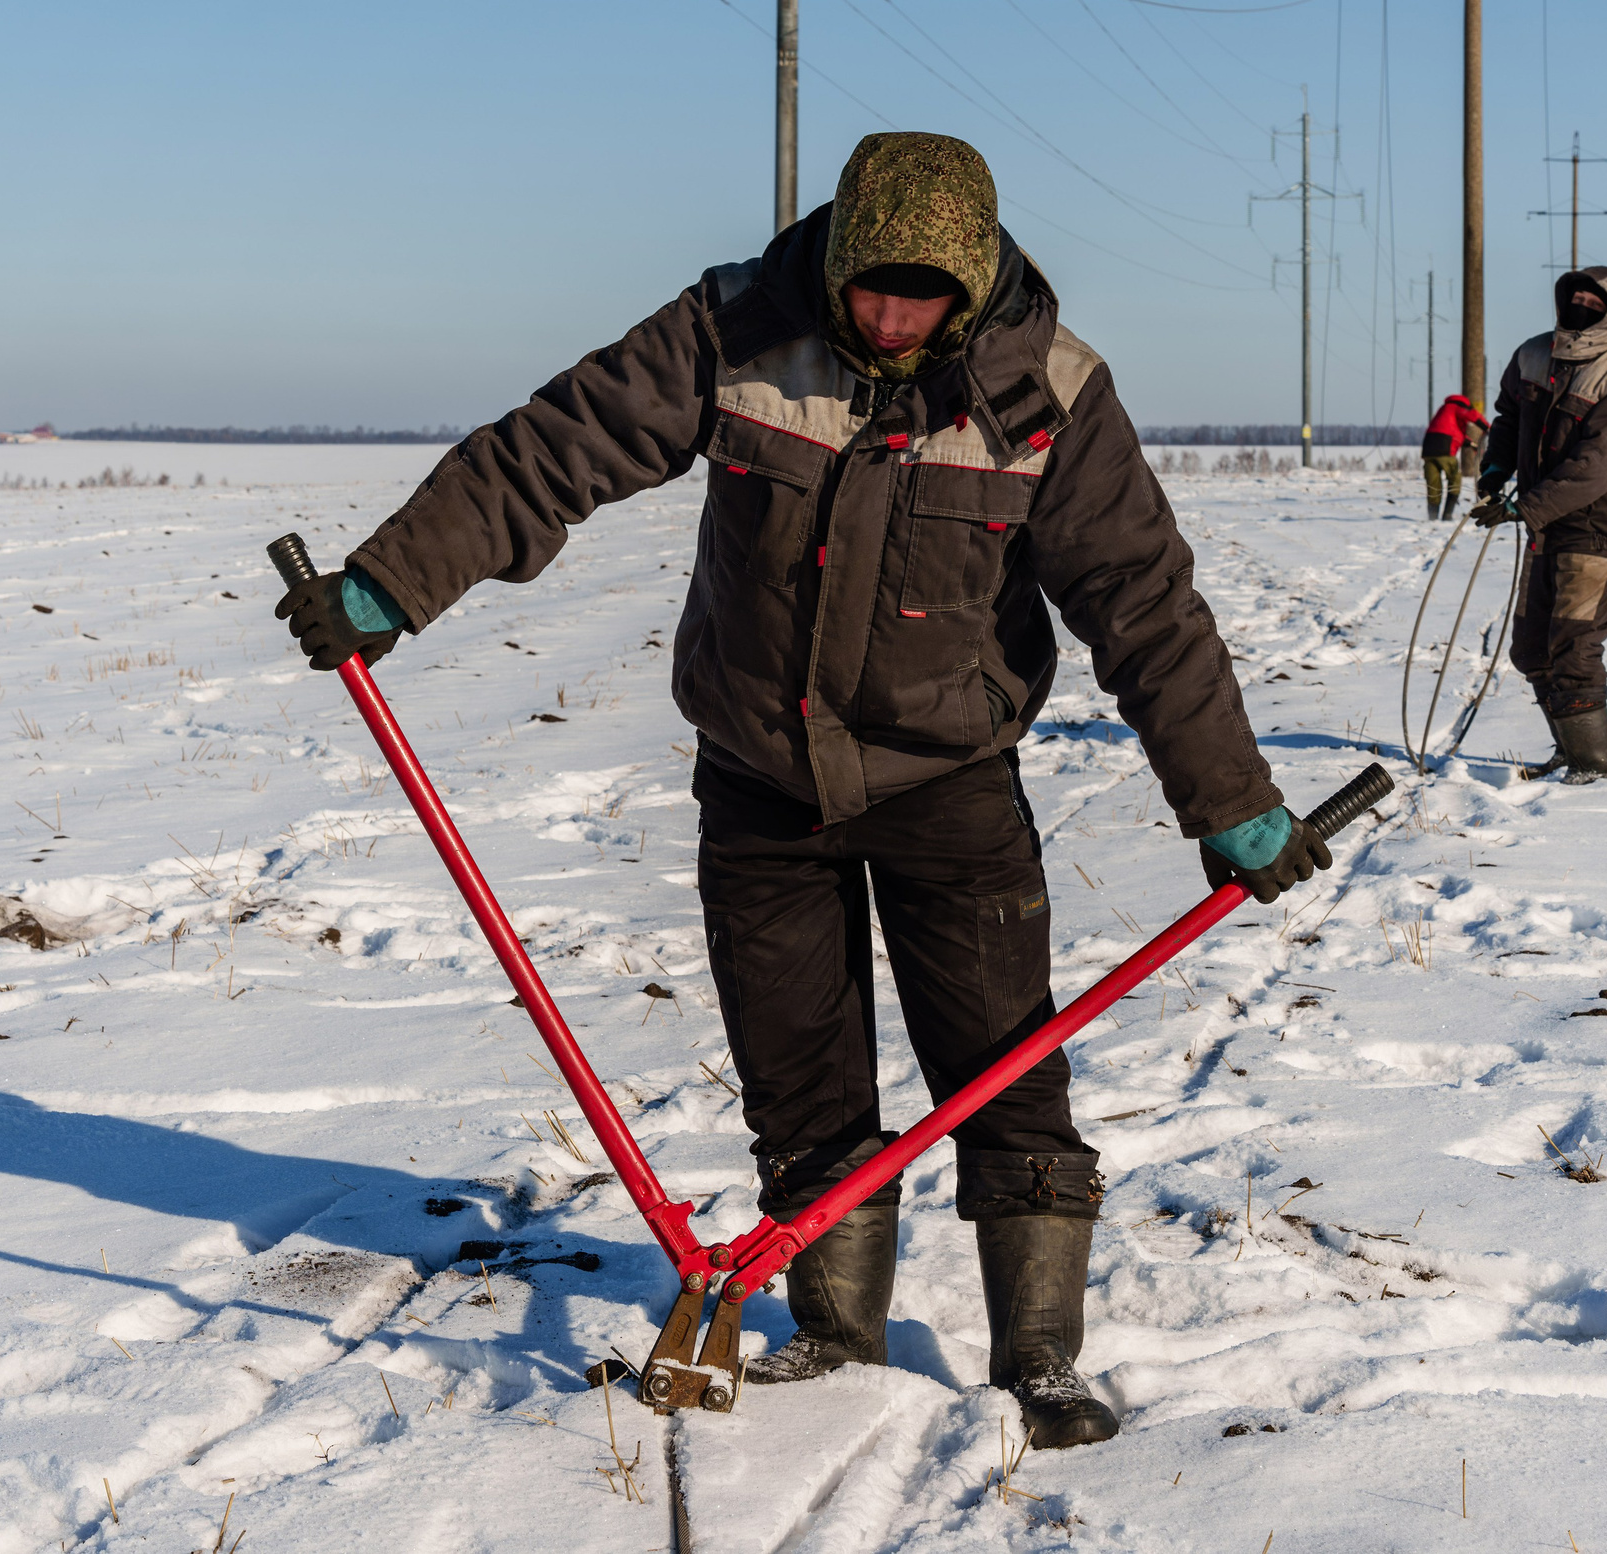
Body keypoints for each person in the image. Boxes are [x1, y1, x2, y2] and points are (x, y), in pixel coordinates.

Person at [274, 132, 1338, 1449]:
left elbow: (1145, 606)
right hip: (762, 781)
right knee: (799, 1073)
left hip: (950, 781)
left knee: (1003, 1067)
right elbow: (555, 448)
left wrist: (1230, 799)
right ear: (833, 259)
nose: (891, 320)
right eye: (869, 292)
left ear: (976, 280)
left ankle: (1040, 1356)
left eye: (923, 298)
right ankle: (835, 1333)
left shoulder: (1050, 391)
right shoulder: (735, 329)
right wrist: (388, 585)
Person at [1471, 267, 1607, 782]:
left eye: (1595, 300)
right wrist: (1497, 468)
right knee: (1530, 647)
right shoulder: (1532, 355)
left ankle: (1594, 768)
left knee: (1574, 647)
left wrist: (1525, 507)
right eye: (1576, 296)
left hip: (1591, 531)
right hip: (1542, 529)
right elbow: (1506, 418)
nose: (1582, 305)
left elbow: (1594, 468)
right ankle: (1568, 751)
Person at [1420, 394, 1485, 520]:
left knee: (1433, 484)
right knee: (1455, 479)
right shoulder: (1457, 407)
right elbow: (1472, 415)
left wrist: (1471, 444)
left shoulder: (1443, 409)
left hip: (1428, 449)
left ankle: (1432, 517)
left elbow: (1452, 432)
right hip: (1444, 448)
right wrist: (1487, 427)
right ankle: (1447, 515)